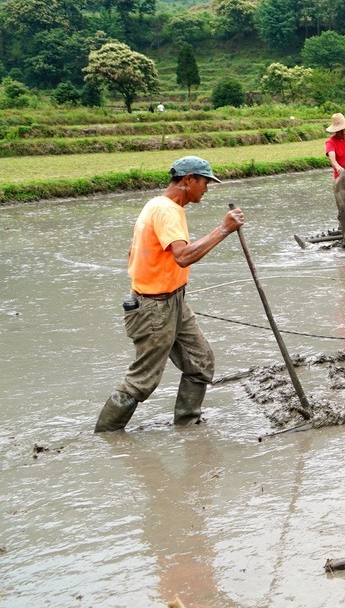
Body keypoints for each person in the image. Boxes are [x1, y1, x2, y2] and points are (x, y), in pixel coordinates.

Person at [94, 156, 245, 432]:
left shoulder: (158, 205)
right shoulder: (167, 211)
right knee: (143, 379)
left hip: (172, 299)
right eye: (204, 182)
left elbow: (134, 251)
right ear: (188, 181)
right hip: (154, 306)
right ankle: (106, 435)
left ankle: (188, 425)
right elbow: (183, 257)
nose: (206, 189)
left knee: (201, 361)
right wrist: (224, 229)